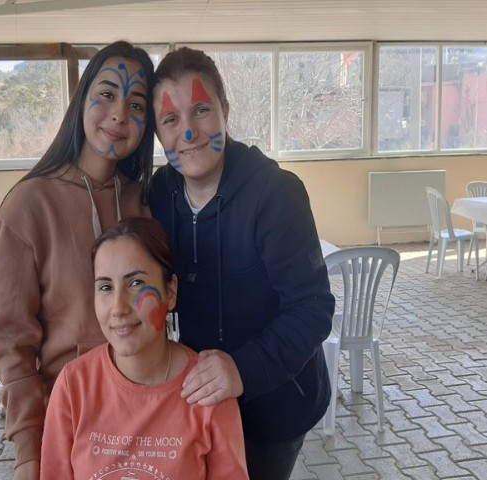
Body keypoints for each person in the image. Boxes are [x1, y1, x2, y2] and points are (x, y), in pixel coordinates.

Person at [148, 47, 335, 480]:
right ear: (157, 133)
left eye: (201, 111)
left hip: (276, 407)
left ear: (225, 112)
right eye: (171, 119)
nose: (189, 132)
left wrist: (242, 369)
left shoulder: (276, 194)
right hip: (204, 402)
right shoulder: (159, 194)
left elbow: (313, 310)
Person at [0, 41, 155, 480]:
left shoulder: (146, 202)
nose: (119, 114)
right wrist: (28, 451)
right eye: (106, 94)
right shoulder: (27, 206)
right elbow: (10, 341)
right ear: (81, 99)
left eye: (136, 104)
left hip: (148, 420)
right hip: (68, 426)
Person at [40, 217, 249, 479]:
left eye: (136, 283)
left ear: (170, 292)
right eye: (105, 287)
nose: (118, 307)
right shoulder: (74, 385)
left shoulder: (209, 388)